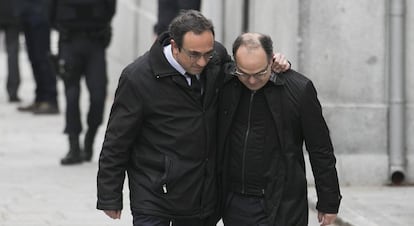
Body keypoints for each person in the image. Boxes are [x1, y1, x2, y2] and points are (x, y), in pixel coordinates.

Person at [96, 10, 290, 226]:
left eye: (207, 53)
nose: (202, 62)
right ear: (175, 46)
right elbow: (117, 141)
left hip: (201, 196)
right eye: (194, 55)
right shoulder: (138, 78)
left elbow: (247, 72)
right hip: (154, 196)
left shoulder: (216, 58)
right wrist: (109, 195)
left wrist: (276, 62)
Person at [217, 32, 341, 226]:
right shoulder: (226, 82)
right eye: (244, 73)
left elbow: (320, 149)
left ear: (271, 60)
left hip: (283, 202)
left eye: (259, 73)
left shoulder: (298, 89)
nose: (251, 81)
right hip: (235, 202)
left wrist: (329, 201)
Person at [49, 0, 116, 165]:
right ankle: (73, 146)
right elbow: (50, 12)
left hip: (95, 41)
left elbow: (110, 9)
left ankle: (90, 138)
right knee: (71, 95)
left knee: (98, 94)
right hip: (69, 40)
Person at [14, 0, 59, 114]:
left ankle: (50, 100)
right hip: (27, 14)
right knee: (34, 59)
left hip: (40, 16)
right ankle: (40, 98)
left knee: (43, 59)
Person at [0, 0, 21, 103]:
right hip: (13, 12)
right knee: (12, 54)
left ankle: (13, 90)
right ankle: (13, 91)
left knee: (12, 54)